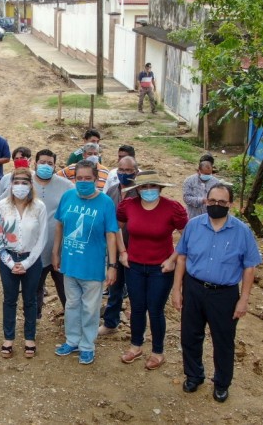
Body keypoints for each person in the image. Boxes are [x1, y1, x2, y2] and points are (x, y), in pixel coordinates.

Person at [173, 184, 262, 402]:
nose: (216, 205)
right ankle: (194, 375)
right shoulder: (193, 226)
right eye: (212, 201)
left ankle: (222, 383)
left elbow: (249, 267)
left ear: (230, 204)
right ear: (206, 200)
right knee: (190, 336)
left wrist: (244, 299)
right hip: (193, 288)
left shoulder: (242, 232)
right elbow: (182, 257)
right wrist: (177, 289)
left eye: (222, 202)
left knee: (223, 341)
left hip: (224, 294)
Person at [117, 171, 188, 370]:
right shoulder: (128, 206)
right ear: (137, 189)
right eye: (144, 187)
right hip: (134, 266)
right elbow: (115, 228)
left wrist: (172, 259)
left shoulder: (172, 208)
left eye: (152, 187)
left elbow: (187, 235)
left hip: (161, 267)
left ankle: (158, 351)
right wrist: (122, 252)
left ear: (160, 188)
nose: (148, 190)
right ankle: (136, 345)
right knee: (137, 307)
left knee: (155, 309)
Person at [52, 160, 119, 365]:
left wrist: (112, 266)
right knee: (71, 305)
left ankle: (87, 345)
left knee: (90, 308)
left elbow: (111, 235)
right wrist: (55, 252)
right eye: (79, 178)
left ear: (96, 179)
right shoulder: (68, 197)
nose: (82, 182)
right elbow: (60, 226)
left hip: (92, 266)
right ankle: (72, 340)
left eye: (87, 178)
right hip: (70, 264)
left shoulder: (105, 202)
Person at [0, 168, 47, 359]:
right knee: (9, 299)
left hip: (32, 260)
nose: (20, 186)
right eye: (16, 181)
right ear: (11, 184)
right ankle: (8, 338)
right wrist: (10, 263)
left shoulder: (39, 207)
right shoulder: (2, 206)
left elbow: (42, 238)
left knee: (30, 300)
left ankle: (29, 338)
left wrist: (26, 263)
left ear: (31, 185)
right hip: (8, 258)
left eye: (24, 182)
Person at [98, 156, 140, 336]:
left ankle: (138, 328)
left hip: (136, 249)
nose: (124, 174)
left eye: (129, 170)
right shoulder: (113, 190)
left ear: (136, 172)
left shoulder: (140, 193)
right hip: (113, 248)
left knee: (136, 290)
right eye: (121, 170)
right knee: (114, 286)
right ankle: (111, 322)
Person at [31, 149, 74, 319]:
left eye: (50, 163)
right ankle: (34, 319)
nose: (46, 166)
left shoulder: (66, 186)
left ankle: (71, 320)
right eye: (42, 162)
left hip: (60, 248)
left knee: (65, 287)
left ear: (55, 165)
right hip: (34, 249)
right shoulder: (24, 184)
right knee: (35, 286)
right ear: (35, 163)